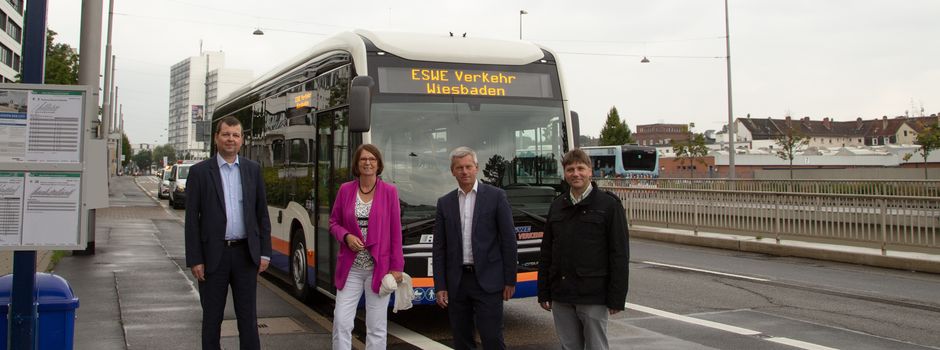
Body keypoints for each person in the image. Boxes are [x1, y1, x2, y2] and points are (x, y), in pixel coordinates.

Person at [184, 116, 272, 350]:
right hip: (213, 257)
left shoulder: (253, 170)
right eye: (226, 134)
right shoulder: (200, 172)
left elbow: (261, 213)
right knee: (212, 319)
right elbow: (191, 220)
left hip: (245, 255)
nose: (230, 139)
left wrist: (265, 253)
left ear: (242, 140)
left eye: (235, 135)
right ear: (216, 138)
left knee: (248, 319)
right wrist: (195, 259)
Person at [537, 148, 630, 350]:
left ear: (590, 171)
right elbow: (546, 253)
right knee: (569, 346)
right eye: (570, 169)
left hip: (593, 294)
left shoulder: (609, 205)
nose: (575, 173)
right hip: (562, 295)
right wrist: (543, 292)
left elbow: (619, 254)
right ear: (564, 173)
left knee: (596, 346)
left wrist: (617, 297)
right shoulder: (557, 205)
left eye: (581, 168)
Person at [432, 146, 517, 350]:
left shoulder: (496, 197)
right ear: (452, 171)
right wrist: (440, 285)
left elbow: (508, 240)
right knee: (462, 340)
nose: (464, 171)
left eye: (468, 166)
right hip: (457, 282)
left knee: (492, 339)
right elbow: (439, 248)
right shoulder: (445, 203)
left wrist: (510, 279)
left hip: (489, 281)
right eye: (459, 167)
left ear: (476, 168)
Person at [330, 144, 404, 350]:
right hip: (351, 268)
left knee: (376, 326)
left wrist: (397, 266)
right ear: (357, 164)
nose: (368, 162)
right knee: (341, 322)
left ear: (378, 164)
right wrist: (346, 236)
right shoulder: (346, 190)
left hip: (378, 269)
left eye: (372, 159)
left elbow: (395, 230)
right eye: (363, 159)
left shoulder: (389, 191)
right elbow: (333, 223)